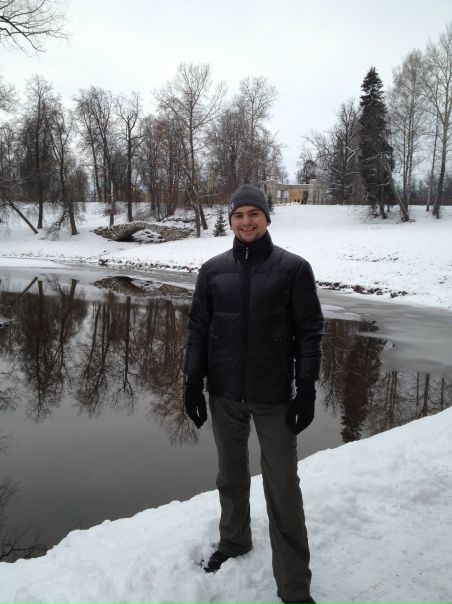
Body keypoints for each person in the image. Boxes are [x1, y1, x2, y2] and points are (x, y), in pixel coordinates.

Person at [184, 184, 324, 604]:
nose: (246, 222)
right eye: (238, 215)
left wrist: (307, 388)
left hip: (274, 396)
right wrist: (192, 381)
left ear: (266, 218)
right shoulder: (212, 271)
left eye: (254, 214)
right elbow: (198, 330)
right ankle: (234, 540)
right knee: (230, 475)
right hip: (224, 393)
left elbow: (310, 332)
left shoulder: (293, 269)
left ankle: (294, 586)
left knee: (283, 488)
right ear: (230, 221)